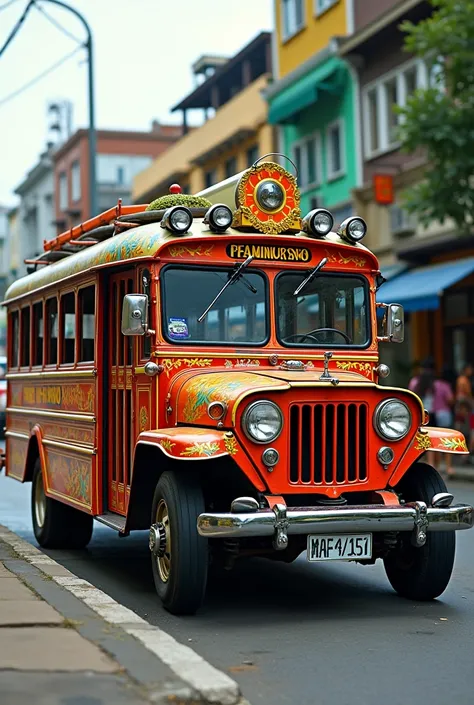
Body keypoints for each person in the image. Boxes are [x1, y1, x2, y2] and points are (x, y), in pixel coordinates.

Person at [409, 358, 454, 473]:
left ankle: (431, 464)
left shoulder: (415, 383)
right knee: (445, 440)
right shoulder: (441, 385)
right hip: (442, 414)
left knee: (427, 441)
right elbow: (450, 400)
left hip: (422, 415)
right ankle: (448, 467)